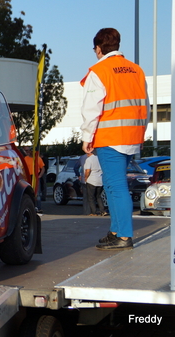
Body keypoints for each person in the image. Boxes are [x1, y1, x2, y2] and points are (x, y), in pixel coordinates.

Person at [80, 28, 149, 250]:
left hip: (110, 137)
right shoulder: (136, 70)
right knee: (111, 184)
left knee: (116, 185)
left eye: (95, 49)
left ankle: (124, 236)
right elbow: (144, 105)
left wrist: (86, 136)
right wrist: (141, 133)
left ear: (99, 48)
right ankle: (116, 231)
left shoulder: (99, 71)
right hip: (131, 136)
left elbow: (91, 109)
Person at [23, 147, 45, 213]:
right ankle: (31, 207)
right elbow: (23, 168)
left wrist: (40, 175)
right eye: (27, 151)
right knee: (29, 192)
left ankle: (38, 207)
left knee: (37, 192)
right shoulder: (26, 159)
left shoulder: (38, 159)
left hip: (36, 176)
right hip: (28, 176)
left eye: (28, 151)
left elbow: (43, 168)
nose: (28, 152)